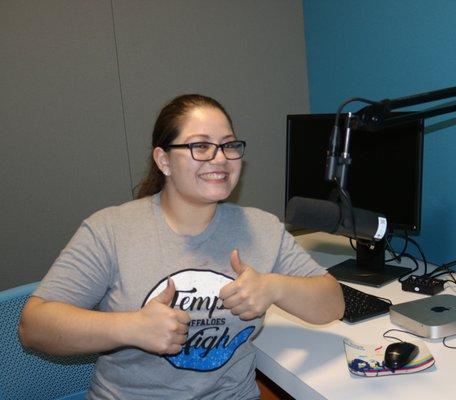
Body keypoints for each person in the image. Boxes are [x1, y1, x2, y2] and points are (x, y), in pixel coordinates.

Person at [19, 94, 344, 399]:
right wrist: (131, 327)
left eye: (228, 145)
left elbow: (332, 304)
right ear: (163, 160)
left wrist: (274, 287)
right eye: (200, 146)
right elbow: (34, 326)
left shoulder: (260, 228)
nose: (220, 158)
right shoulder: (111, 230)